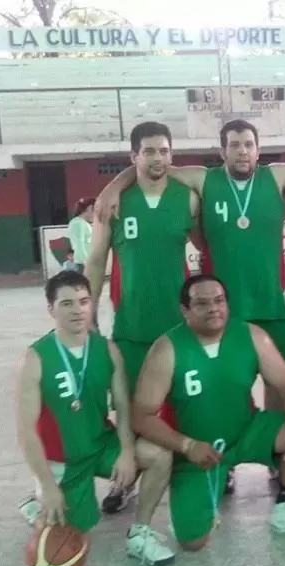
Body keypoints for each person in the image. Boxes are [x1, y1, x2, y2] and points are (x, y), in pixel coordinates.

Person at [97, 119, 285, 491]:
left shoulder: (278, 176)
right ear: (222, 151)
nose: (242, 151)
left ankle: (276, 455)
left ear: (258, 148)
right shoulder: (203, 180)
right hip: (221, 312)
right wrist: (114, 184)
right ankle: (224, 457)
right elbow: (155, 167)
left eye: (248, 144)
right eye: (234, 145)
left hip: (271, 304)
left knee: (279, 387)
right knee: (219, 388)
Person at [131, 274, 285, 549]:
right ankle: (198, 499)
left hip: (246, 431)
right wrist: (186, 444)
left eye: (219, 301)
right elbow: (142, 416)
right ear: (185, 310)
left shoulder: (252, 336)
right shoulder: (166, 349)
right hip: (198, 447)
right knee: (193, 542)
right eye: (202, 303)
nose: (213, 309)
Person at [15, 271, 176, 566]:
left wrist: (127, 451)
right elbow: (26, 431)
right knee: (67, 541)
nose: (77, 310)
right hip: (63, 460)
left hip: (101, 445)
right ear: (51, 309)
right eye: (66, 303)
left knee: (158, 454)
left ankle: (139, 533)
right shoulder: (37, 357)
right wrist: (49, 484)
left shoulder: (107, 349)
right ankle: (39, 502)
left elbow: (123, 409)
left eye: (83, 301)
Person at [85, 121, 199, 507]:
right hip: (131, 327)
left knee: (186, 401)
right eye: (149, 151)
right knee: (130, 408)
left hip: (179, 328)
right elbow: (97, 260)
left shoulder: (188, 198)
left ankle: (201, 466)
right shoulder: (114, 204)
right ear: (133, 156)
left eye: (164, 151)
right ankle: (125, 478)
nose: (157, 158)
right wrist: (89, 313)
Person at [67, 197, 95, 275]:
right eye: (96, 211)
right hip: (83, 263)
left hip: (85, 262)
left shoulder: (82, 223)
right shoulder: (78, 223)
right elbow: (79, 245)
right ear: (90, 208)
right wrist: (86, 263)